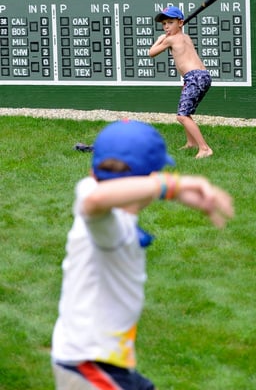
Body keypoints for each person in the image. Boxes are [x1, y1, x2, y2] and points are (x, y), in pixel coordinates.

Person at [51, 119, 234, 390]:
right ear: (148, 178)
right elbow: (96, 201)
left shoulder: (94, 193)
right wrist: (172, 186)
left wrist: (178, 193)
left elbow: (98, 193)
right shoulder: (109, 227)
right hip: (89, 363)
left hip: (92, 358)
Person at [149, 6, 213, 159]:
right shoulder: (186, 37)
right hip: (201, 76)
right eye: (164, 24)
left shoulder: (170, 39)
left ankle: (204, 149)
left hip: (194, 77)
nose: (166, 27)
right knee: (186, 111)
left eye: (170, 22)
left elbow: (151, 53)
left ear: (180, 23)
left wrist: (159, 39)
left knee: (182, 116)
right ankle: (191, 143)